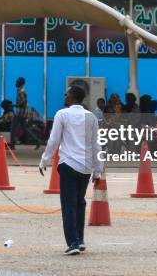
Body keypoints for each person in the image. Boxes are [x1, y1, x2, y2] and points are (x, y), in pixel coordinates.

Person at [39, 85, 102, 256]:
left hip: (68, 165)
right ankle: (80, 240)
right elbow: (97, 145)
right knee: (79, 202)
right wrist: (98, 170)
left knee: (68, 205)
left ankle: (72, 242)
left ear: (72, 97)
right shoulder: (91, 117)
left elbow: (54, 140)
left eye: (66, 93)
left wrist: (44, 160)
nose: (64, 96)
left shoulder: (62, 114)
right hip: (86, 167)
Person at [11, 77, 28, 147]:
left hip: (20, 113)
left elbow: (23, 103)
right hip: (21, 113)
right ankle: (37, 141)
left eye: (17, 82)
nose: (16, 83)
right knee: (25, 128)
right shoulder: (19, 91)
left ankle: (12, 143)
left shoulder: (21, 92)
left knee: (13, 127)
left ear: (21, 83)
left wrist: (14, 105)